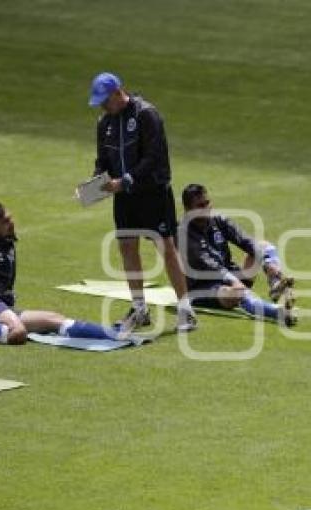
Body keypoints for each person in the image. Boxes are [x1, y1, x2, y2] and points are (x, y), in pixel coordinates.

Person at [88, 72, 196, 333]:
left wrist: (124, 181)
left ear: (117, 92)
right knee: (126, 248)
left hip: (152, 192)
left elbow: (153, 157)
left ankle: (186, 310)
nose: (103, 106)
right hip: (124, 197)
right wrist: (94, 183)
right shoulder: (105, 123)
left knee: (166, 247)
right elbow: (102, 159)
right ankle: (139, 309)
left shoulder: (147, 114)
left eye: (105, 100)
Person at [0, 204, 128, 345]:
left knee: (54, 319)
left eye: (10, 218)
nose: (11, 223)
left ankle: (113, 333)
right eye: (5, 221)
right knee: (17, 332)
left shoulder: (3, 241)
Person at [180, 184, 296, 326]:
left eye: (207, 203)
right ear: (188, 210)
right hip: (204, 286)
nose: (206, 208)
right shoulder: (184, 233)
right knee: (237, 293)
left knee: (263, 246)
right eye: (200, 206)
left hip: (230, 275)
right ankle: (279, 313)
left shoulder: (218, 220)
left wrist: (267, 263)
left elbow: (245, 240)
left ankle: (275, 283)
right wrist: (234, 282)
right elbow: (211, 266)